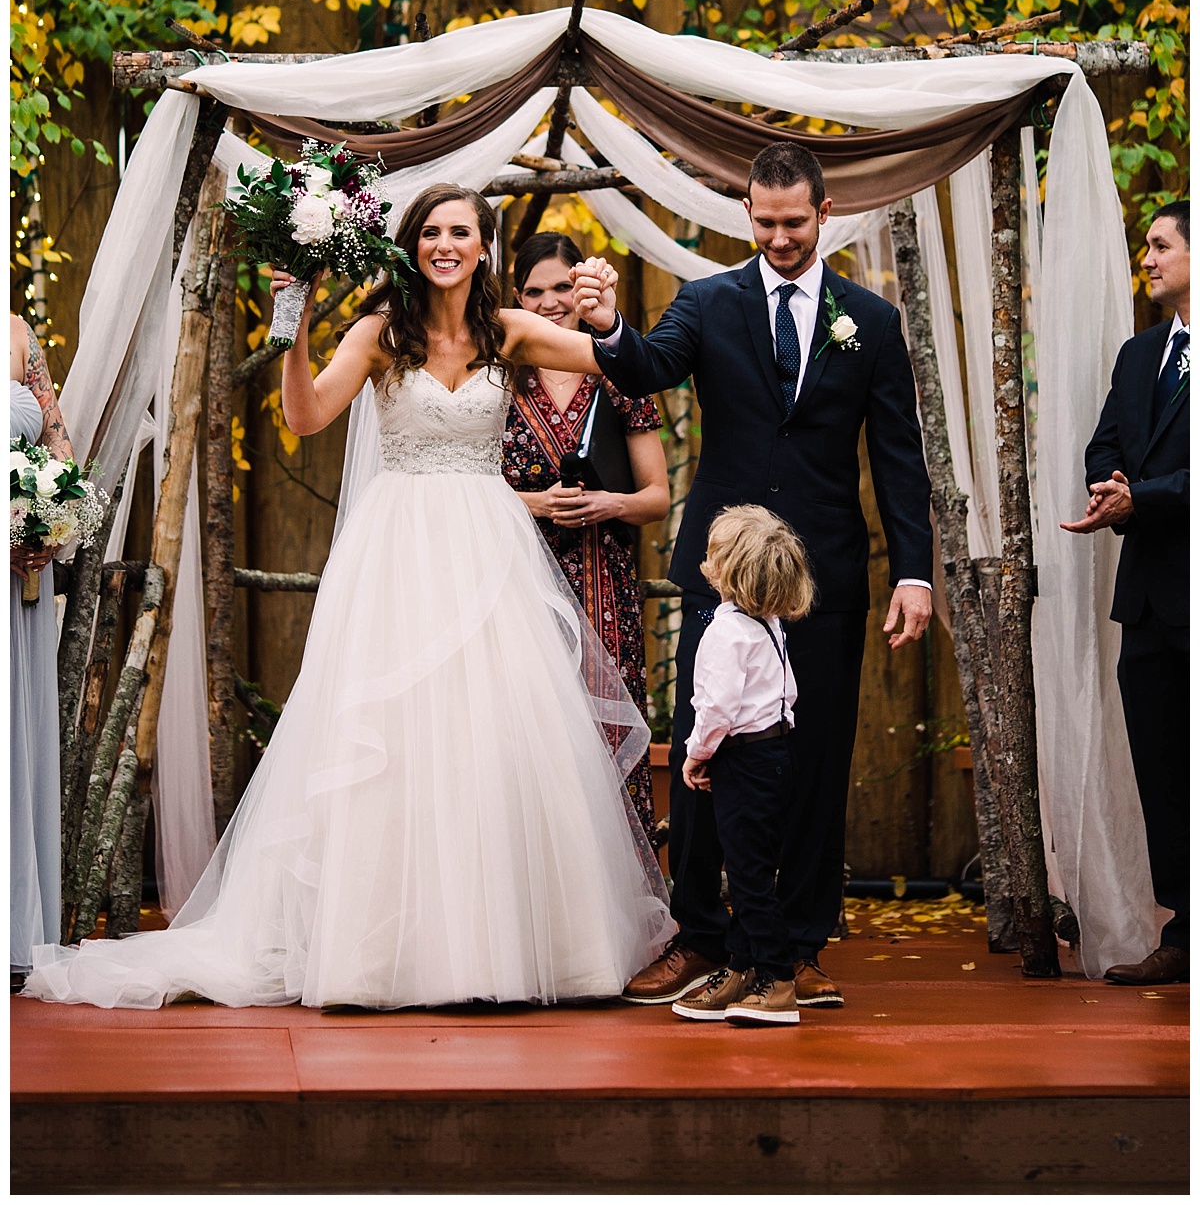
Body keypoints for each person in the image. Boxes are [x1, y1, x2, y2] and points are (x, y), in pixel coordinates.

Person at [25, 185, 672, 1011]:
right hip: (399, 546)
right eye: (432, 231)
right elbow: (306, 416)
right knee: (394, 742)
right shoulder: (379, 333)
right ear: (411, 244)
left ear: (484, 249)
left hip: (489, 543)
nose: (446, 245)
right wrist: (289, 330)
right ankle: (381, 953)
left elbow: (630, 364)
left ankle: (518, 945)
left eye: (461, 233)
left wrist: (608, 315)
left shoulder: (507, 331)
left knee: (495, 733)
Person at [573, 141, 933, 1009]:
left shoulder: (871, 323)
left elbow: (897, 459)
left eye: (794, 223)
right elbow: (648, 367)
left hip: (827, 579)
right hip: (724, 574)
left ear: (824, 212)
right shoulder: (706, 302)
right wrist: (609, 326)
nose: (779, 238)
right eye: (765, 223)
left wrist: (915, 574)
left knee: (814, 757)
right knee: (706, 750)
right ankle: (700, 938)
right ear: (747, 215)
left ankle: (799, 947)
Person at [1061, 200, 1189, 986]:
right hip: (1148, 600)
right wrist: (1110, 487)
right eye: (1145, 246)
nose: (1147, 257)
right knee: (1165, 770)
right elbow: (1103, 443)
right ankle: (1182, 930)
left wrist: (1152, 497)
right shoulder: (1140, 355)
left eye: (1161, 244)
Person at [504, 232, 669, 837]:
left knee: (607, 733)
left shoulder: (619, 371)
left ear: (583, 288)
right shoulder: (498, 378)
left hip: (605, 583)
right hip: (517, 581)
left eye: (561, 287)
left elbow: (658, 496)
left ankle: (625, 906)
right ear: (515, 297)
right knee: (526, 730)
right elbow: (460, 484)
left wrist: (610, 503)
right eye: (533, 291)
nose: (549, 302)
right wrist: (535, 503)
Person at [672, 506, 811, 1028]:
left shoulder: (725, 634)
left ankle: (777, 981)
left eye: (711, 552)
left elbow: (716, 708)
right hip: (775, 755)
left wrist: (696, 753)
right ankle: (741, 965)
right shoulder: (768, 624)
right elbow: (785, 691)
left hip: (742, 759)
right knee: (754, 865)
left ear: (724, 568)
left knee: (749, 877)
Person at [10, 315, 73, 987]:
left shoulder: (19, 332)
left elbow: (59, 451)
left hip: (18, 571)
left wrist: (52, 521)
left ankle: (16, 928)